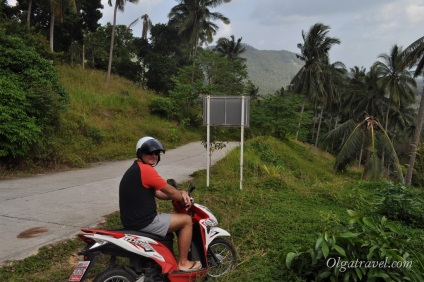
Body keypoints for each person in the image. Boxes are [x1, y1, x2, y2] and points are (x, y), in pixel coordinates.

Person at [119, 136, 202, 272]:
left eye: (156, 153)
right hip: (145, 221)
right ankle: (183, 262)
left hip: (132, 221)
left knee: (173, 222)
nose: (153, 155)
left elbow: (158, 192)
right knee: (186, 220)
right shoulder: (146, 170)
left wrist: (179, 193)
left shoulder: (137, 168)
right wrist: (182, 197)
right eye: (149, 152)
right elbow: (169, 190)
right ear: (140, 153)